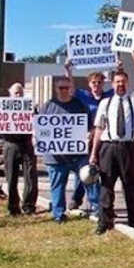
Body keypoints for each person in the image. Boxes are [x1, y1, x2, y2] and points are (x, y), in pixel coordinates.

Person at [90, 62, 134, 234]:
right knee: (106, 185)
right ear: (112, 84)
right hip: (108, 147)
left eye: (123, 82)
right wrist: (94, 153)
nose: (120, 85)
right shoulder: (105, 103)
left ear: (127, 83)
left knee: (130, 185)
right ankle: (104, 221)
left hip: (128, 147)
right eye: (117, 82)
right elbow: (99, 129)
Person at [64, 60, 115, 217]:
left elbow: (118, 86)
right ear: (89, 84)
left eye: (99, 82)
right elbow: (70, 88)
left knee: (99, 171)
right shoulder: (84, 96)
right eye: (93, 82)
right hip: (86, 138)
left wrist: (119, 67)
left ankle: (94, 202)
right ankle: (87, 201)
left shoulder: (108, 96)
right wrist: (68, 69)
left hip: (104, 137)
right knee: (86, 169)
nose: (96, 85)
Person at [37, 76, 89, 223]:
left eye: (67, 88)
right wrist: (36, 137)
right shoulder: (48, 106)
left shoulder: (79, 105)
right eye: (61, 88)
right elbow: (39, 128)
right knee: (57, 186)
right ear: (56, 89)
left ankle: (97, 210)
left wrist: (89, 136)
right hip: (55, 156)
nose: (64, 91)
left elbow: (88, 126)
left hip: (77, 154)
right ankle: (59, 215)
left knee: (88, 179)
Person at [2, 82, 38, 216]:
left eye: (21, 93)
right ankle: (13, 207)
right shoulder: (3, 108)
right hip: (10, 144)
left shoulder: (30, 107)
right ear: (10, 94)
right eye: (16, 93)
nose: (19, 95)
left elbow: (37, 124)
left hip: (27, 143)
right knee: (11, 177)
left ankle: (28, 206)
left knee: (30, 176)